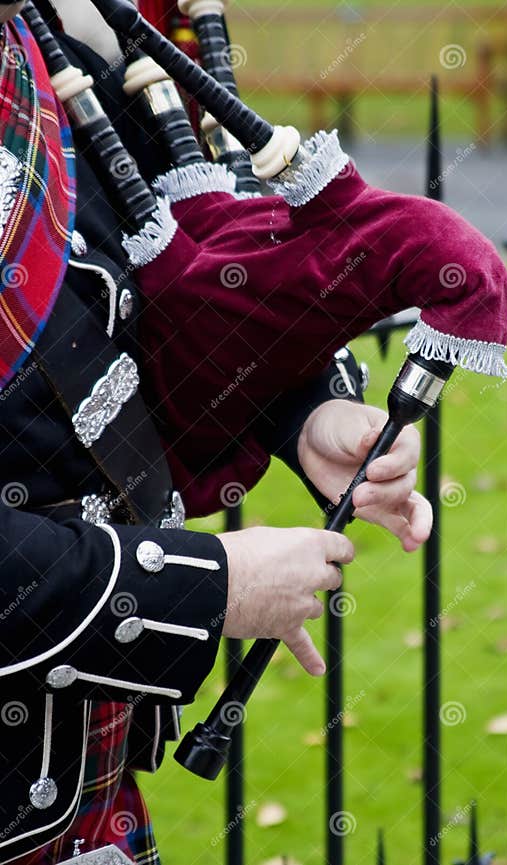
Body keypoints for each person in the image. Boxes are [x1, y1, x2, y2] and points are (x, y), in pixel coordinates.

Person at [0, 2, 431, 862]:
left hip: (86, 784)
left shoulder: (31, 44)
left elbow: (166, 278)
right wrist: (205, 586)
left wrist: (304, 410)